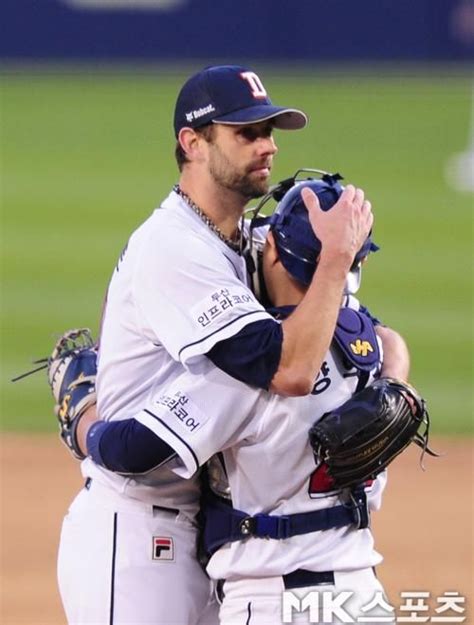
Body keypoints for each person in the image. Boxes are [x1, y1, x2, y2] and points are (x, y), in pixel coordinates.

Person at [54, 63, 376, 625]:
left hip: (210, 529)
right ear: (192, 143)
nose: (267, 147)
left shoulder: (239, 239)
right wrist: (87, 422)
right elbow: (290, 366)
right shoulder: (175, 246)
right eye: (246, 133)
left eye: (270, 132)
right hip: (137, 527)